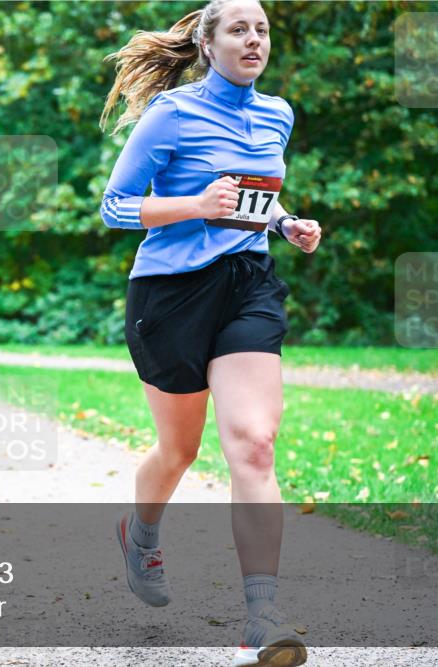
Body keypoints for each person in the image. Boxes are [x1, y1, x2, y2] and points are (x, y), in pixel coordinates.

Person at [99, 1, 321, 666]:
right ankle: (140, 532)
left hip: (247, 286)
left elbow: (260, 194)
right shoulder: (171, 114)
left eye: (262, 29)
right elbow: (115, 205)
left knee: (254, 444)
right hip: (170, 295)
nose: (254, 40)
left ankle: (263, 617)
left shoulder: (276, 113)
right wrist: (194, 206)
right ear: (207, 40)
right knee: (179, 448)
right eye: (239, 29)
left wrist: (285, 224)